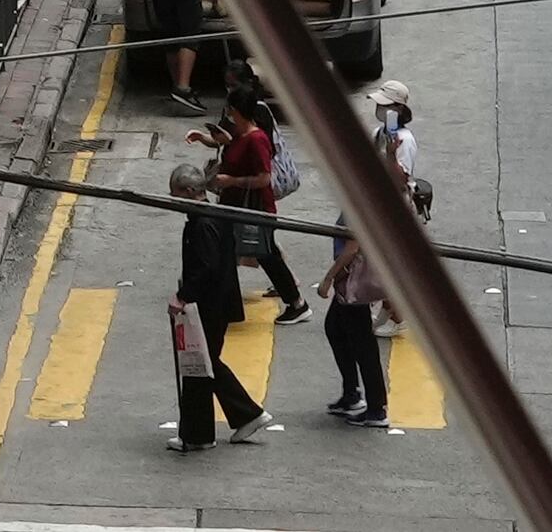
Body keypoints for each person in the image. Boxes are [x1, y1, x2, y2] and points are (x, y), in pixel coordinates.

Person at [166, 166, 272, 451]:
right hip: (217, 302)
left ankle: (238, 418)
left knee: (201, 365)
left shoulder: (202, 223)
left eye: (175, 193)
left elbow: (207, 267)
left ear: (189, 192)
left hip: (210, 305)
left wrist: (183, 296)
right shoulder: (212, 216)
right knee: (203, 365)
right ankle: (208, 430)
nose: (172, 199)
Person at [206, 89, 305, 313]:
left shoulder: (257, 139)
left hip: (255, 208)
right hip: (234, 207)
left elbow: (264, 178)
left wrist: (232, 181)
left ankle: (297, 303)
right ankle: (224, 301)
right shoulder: (238, 134)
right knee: (226, 252)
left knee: (267, 256)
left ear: (237, 111)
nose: (228, 114)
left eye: (230, 110)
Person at [318, 212, 394, 423]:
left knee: (363, 345)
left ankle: (377, 408)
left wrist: (330, 278)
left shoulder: (358, 201)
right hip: (353, 283)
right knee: (335, 328)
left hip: (354, 284)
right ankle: (352, 393)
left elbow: (353, 247)